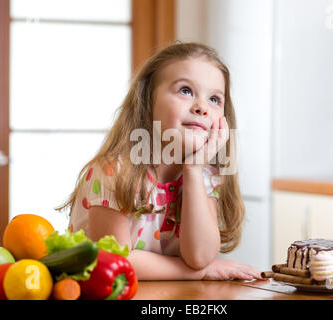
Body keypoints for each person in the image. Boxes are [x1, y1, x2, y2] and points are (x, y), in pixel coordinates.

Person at [58, 42, 265, 281]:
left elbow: (199, 257)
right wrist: (200, 273)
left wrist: (194, 170)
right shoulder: (115, 172)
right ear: (147, 100)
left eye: (215, 100)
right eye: (185, 91)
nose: (201, 108)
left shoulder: (204, 175)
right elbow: (116, 262)